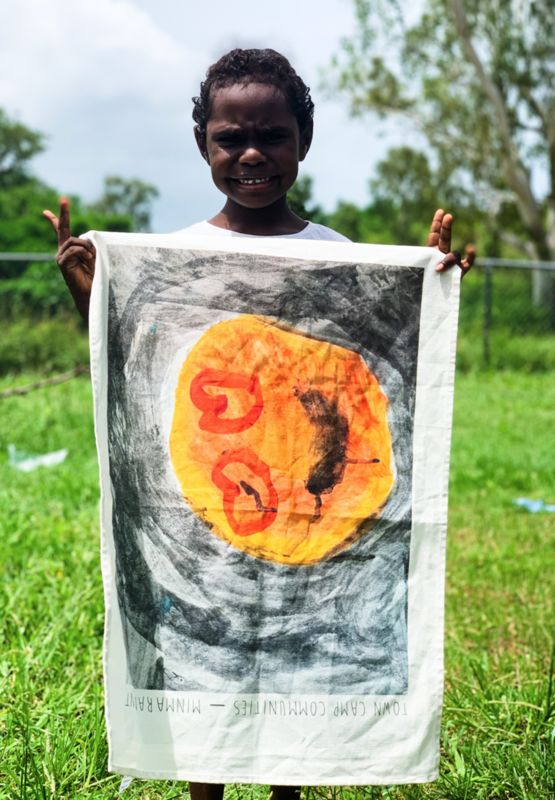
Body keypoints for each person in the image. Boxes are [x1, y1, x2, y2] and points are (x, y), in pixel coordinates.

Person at [43, 48, 474, 800]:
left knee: (287, 691)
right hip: (205, 540)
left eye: (272, 136)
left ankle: (286, 792)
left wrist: (427, 292)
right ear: (202, 145)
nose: (250, 155)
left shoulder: (339, 257)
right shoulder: (175, 256)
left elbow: (387, 355)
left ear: (302, 141)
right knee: (211, 688)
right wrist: (90, 293)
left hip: (311, 533)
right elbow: (134, 373)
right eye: (228, 138)